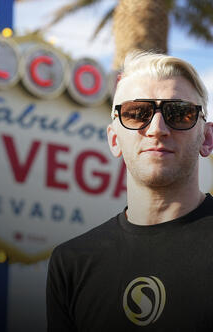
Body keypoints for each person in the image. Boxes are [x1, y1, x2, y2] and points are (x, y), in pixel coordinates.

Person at [46, 51, 213, 331]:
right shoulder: (72, 263)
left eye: (179, 113)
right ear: (114, 139)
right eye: (136, 114)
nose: (157, 129)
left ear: (206, 139)